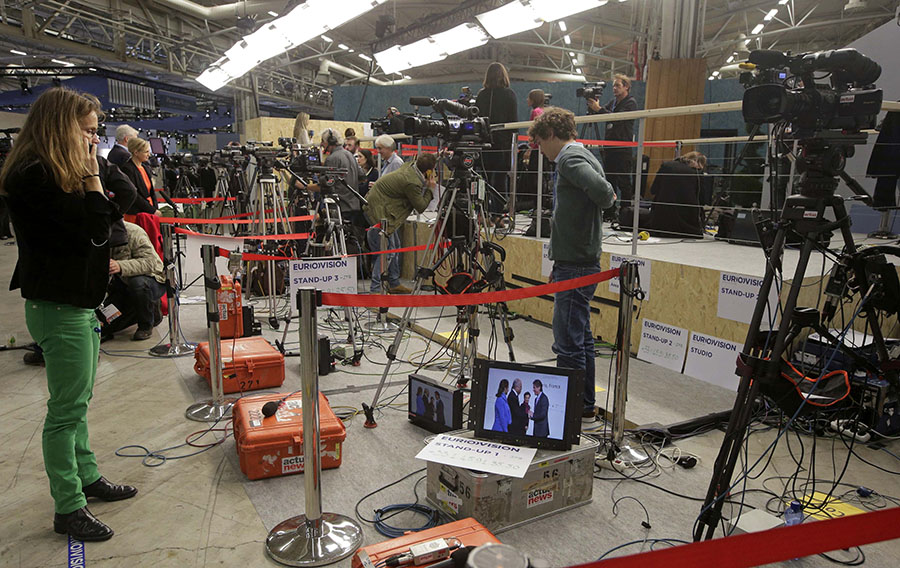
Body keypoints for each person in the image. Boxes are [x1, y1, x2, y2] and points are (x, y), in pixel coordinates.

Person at [0, 87, 138, 542]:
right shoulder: (33, 175)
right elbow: (98, 225)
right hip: (60, 307)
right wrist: (93, 180)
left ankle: (86, 477)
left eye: (97, 134)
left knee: (76, 405)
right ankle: (68, 506)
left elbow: (126, 193)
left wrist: (94, 173)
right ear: (61, 127)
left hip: (77, 304)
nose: (93, 142)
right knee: (65, 412)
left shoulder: (63, 171)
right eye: (87, 133)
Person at [529, 107, 616, 422]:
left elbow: (606, 194)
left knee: (567, 344)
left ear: (551, 134)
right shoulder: (583, 154)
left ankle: (572, 414)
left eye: (540, 142)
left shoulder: (569, 159)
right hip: (576, 260)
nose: (541, 150)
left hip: (578, 264)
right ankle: (585, 407)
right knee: (581, 339)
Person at [363, 152, 437, 294]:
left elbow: (425, 159)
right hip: (380, 212)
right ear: (428, 171)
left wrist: (439, 154)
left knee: (395, 247)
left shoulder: (411, 165)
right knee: (387, 253)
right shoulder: (412, 182)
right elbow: (421, 207)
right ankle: (375, 289)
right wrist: (430, 189)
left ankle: (394, 283)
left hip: (382, 207)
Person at [102, 221, 166, 340]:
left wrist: (120, 266)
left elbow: (150, 262)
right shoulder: (95, 236)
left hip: (151, 279)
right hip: (120, 285)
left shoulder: (134, 232)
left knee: (137, 284)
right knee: (104, 322)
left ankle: (146, 325)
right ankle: (146, 310)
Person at [587, 74, 638, 212]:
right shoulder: (613, 102)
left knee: (624, 181)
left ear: (626, 87)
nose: (614, 88)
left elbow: (617, 119)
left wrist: (599, 109)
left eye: (618, 85)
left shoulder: (630, 102)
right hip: (610, 147)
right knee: (610, 180)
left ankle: (626, 211)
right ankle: (610, 210)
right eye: (613, 86)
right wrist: (594, 106)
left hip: (622, 147)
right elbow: (603, 113)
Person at [475, 62, 518, 223]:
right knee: (500, 180)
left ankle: (482, 214)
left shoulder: (481, 95)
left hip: (483, 144)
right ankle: (498, 216)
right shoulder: (509, 94)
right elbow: (513, 121)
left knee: (482, 180)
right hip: (502, 145)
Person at [304, 128, 365, 219]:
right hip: (354, 206)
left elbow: (326, 185)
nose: (321, 144)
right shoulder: (350, 155)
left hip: (339, 208)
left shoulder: (332, 158)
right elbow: (362, 177)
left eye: (323, 141)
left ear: (331, 142)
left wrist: (307, 187)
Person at [648, 152, 707, 238]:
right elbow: (703, 199)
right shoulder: (697, 174)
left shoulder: (666, 166)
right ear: (698, 164)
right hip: (687, 225)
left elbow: (653, 190)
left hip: (660, 222)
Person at [120, 138, 157, 214]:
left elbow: (151, 192)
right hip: (136, 212)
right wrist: (152, 210)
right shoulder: (127, 169)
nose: (148, 155)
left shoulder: (145, 168)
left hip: (149, 209)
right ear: (136, 152)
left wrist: (154, 208)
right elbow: (135, 195)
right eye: (146, 152)